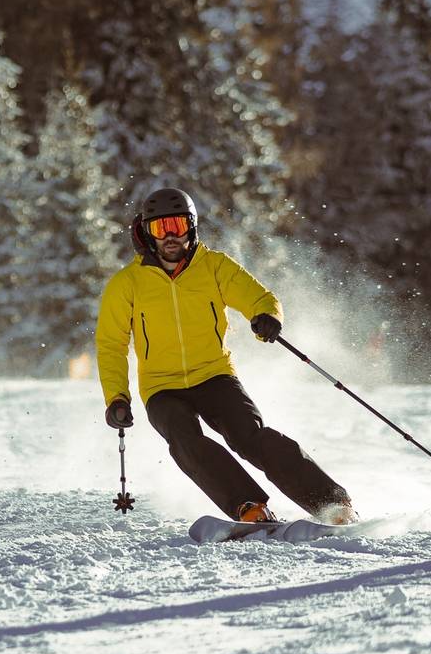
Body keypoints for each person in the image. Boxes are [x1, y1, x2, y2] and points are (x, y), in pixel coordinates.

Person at [95, 185, 357, 526]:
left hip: (215, 375)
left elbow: (259, 297)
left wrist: (266, 316)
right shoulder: (127, 284)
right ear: (147, 232)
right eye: (160, 228)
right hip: (161, 387)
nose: (170, 236)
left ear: (191, 226)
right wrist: (117, 396)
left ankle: (332, 504)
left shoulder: (214, 266)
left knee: (250, 436)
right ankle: (249, 507)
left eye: (177, 225)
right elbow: (110, 344)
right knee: (186, 441)